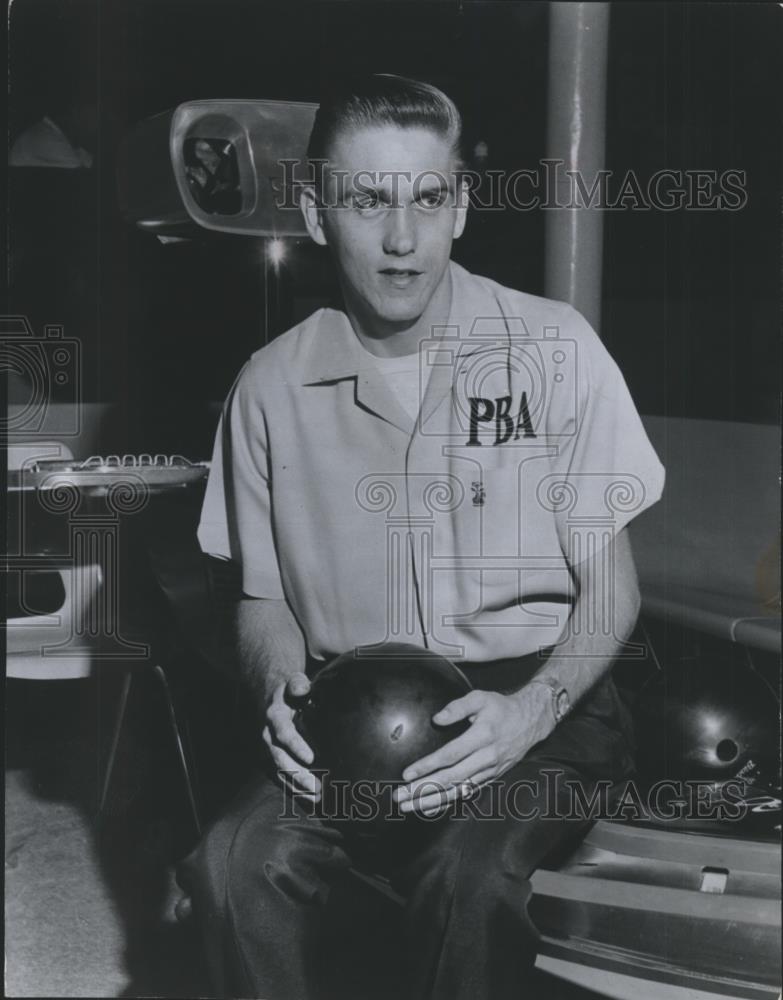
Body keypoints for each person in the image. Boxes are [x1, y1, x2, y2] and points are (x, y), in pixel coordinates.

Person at [185, 74, 665, 1000]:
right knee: (232, 869)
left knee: (470, 879)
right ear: (319, 214)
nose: (402, 240)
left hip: (536, 705)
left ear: (461, 208)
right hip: (353, 712)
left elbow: (613, 591)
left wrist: (530, 712)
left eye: (428, 199)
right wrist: (275, 698)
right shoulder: (268, 387)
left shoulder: (553, 349)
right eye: (368, 201)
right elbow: (262, 600)